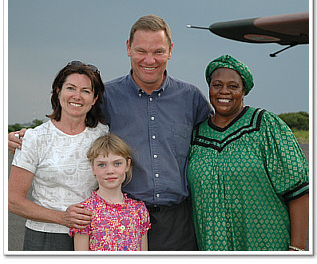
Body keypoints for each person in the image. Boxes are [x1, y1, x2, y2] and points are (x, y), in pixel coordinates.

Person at [9, 15, 212, 251]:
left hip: (177, 223)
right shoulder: (107, 97)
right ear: (128, 48)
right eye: (141, 50)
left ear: (170, 50)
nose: (149, 59)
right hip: (118, 221)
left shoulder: (191, 97)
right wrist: (27, 135)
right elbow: (71, 118)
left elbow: (215, 137)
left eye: (158, 51)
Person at [187, 55, 309, 251]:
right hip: (213, 248)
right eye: (217, 85)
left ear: (244, 91)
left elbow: (299, 190)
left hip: (266, 246)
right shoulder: (196, 136)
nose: (224, 91)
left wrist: (297, 249)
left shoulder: (265, 125)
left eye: (233, 86)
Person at [8, 61, 109, 251]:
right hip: (44, 237)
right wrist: (62, 217)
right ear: (58, 91)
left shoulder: (103, 136)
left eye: (86, 91)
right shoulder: (34, 138)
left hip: (94, 235)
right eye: (70, 88)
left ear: (94, 99)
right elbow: (12, 200)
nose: (77, 96)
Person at [69, 134, 151, 251]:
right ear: (93, 168)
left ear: (127, 165)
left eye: (117, 163)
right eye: (102, 165)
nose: (110, 171)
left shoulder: (139, 210)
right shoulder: (84, 212)